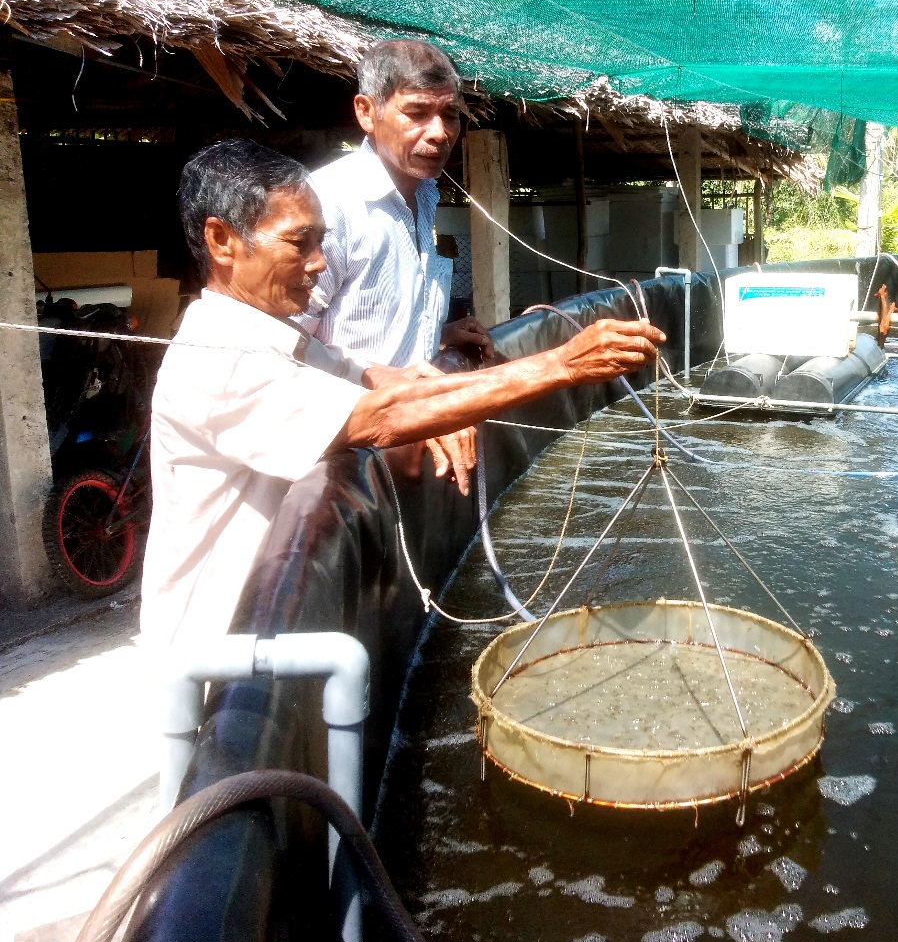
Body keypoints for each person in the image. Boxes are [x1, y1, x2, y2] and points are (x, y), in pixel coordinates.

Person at [141, 139, 664, 649]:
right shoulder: (219, 357)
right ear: (221, 240)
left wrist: (441, 393)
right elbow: (379, 415)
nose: (320, 263)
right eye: (300, 243)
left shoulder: (278, 335)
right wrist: (561, 364)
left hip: (260, 637)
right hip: (208, 665)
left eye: (321, 241)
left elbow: (382, 379)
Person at [299, 39, 490, 369]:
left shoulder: (425, 193)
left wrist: (436, 334)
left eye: (450, 114)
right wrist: (378, 386)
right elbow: (279, 343)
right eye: (417, 113)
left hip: (410, 414)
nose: (440, 133)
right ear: (367, 113)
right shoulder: (329, 206)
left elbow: (364, 325)